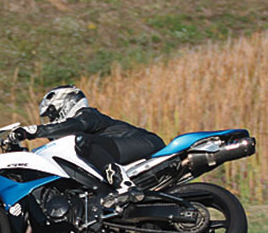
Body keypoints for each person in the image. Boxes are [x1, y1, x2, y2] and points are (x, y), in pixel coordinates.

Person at [11, 85, 166, 206]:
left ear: (66, 104)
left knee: (81, 140)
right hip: (127, 149)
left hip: (145, 142)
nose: (52, 120)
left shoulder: (87, 115)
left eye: (52, 114)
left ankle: (124, 185)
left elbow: (76, 125)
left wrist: (34, 131)